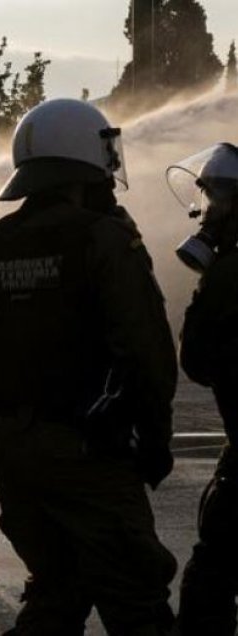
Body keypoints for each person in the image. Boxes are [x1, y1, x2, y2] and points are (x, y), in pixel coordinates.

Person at [0, 99, 177, 635]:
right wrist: (154, 439)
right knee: (137, 600)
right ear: (89, 159)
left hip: (12, 452)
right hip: (87, 450)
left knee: (58, 594)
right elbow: (147, 348)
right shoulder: (102, 238)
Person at [168, 142, 238, 635]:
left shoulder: (228, 272)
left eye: (216, 199)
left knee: (210, 579)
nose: (207, 211)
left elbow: (196, 360)